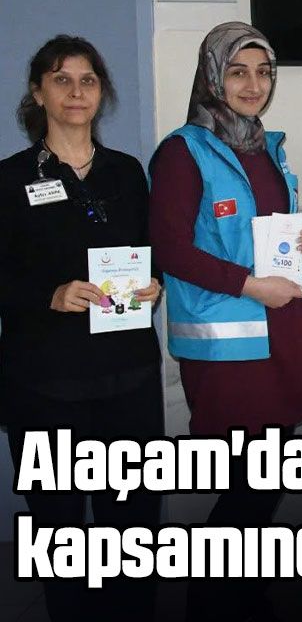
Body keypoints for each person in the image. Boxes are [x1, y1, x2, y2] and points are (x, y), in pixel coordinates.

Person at [149, 21, 302, 622]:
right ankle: (212, 602)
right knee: (247, 489)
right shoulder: (184, 151)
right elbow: (169, 248)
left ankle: (245, 596)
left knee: (266, 483)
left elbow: (259, 234)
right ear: (211, 76)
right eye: (238, 72)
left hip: (280, 332)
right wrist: (249, 284)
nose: (254, 85)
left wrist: (300, 240)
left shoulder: (265, 147)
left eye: (264, 72)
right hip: (229, 348)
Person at [0, 35, 163, 621]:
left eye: (88, 80)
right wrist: (49, 294)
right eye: (61, 79)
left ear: (102, 92)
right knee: (59, 527)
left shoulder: (127, 173)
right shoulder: (10, 179)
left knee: (134, 523)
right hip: (46, 383)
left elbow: (149, 251)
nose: (76, 92)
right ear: (38, 93)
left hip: (128, 376)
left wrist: (154, 283)